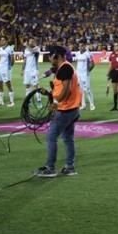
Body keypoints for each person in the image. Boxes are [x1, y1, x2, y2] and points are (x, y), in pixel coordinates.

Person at [35, 46, 81, 178]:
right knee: (68, 139)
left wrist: (56, 103)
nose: (49, 58)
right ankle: (70, 167)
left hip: (65, 109)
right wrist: (49, 94)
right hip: (72, 108)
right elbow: (61, 90)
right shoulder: (65, 67)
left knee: (51, 137)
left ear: (57, 56)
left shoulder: (65, 68)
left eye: (50, 56)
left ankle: (50, 168)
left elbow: (66, 91)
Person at [75, 44, 97, 111]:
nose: (80, 47)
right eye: (80, 46)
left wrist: (88, 71)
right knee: (80, 90)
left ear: (84, 46)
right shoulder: (77, 53)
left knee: (87, 89)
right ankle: (83, 105)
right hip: (79, 74)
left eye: (82, 46)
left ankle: (92, 104)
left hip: (85, 74)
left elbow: (93, 64)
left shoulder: (88, 54)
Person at [0, 42, 15, 107]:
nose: (2, 41)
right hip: (0, 68)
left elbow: (12, 58)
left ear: (6, 41)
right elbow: (0, 58)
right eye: (1, 40)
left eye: (3, 40)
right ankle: (1, 102)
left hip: (6, 68)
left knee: (8, 84)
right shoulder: (0, 48)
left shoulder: (9, 48)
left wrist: (10, 67)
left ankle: (12, 102)